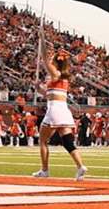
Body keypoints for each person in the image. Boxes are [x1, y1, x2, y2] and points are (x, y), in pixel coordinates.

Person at [33, 43, 88, 180]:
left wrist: (42, 39)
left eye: (52, 60)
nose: (50, 61)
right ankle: (80, 166)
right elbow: (50, 94)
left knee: (43, 141)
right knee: (68, 143)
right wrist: (38, 88)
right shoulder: (62, 79)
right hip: (64, 110)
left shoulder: (55, 74)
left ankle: (44, 170)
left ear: (56, 63)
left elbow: (45, 59)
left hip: (54, 111)